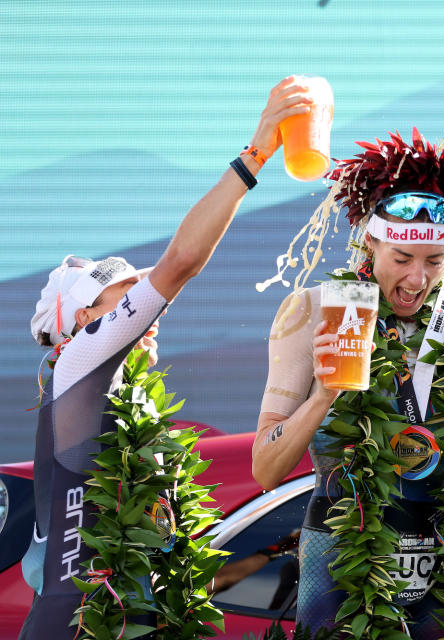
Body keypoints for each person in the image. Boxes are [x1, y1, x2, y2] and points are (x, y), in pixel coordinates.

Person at [19, 76, 313, 640]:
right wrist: (257, 153)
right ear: (84, 321)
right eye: (122, 297)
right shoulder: (78, 364)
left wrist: (274, 552)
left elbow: (174, 582)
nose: (148, 315)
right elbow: (179, 263)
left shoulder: (130, 414)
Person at [252, 130, 444, 640]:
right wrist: (324, 395)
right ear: (370, 242)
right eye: (401, 259)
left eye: (435, 262)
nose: (416, 279)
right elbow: (266, 470)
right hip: (343, 560)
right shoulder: (314, 309)